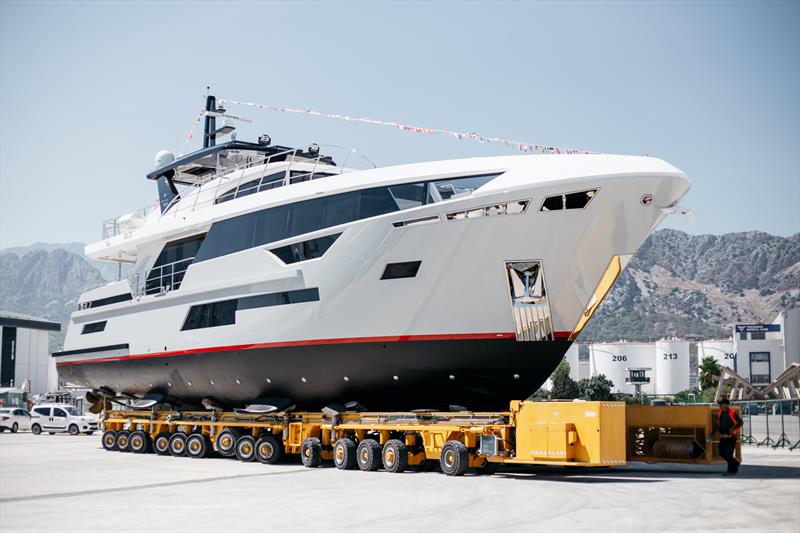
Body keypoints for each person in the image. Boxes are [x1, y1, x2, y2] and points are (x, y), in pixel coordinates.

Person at [716, 398, 743, 476]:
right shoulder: (719, 413)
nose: (720, 406)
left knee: (728, 455)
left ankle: (730, 471)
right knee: (721, 453)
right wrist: (714, 433)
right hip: (723, 437)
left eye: (721, 404)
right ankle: (736, 463)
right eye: (720, 404)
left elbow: (740, 422)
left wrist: (733, 428)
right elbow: (718, 424)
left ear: (726, 405)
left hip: (731, 438)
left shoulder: (732, 413)